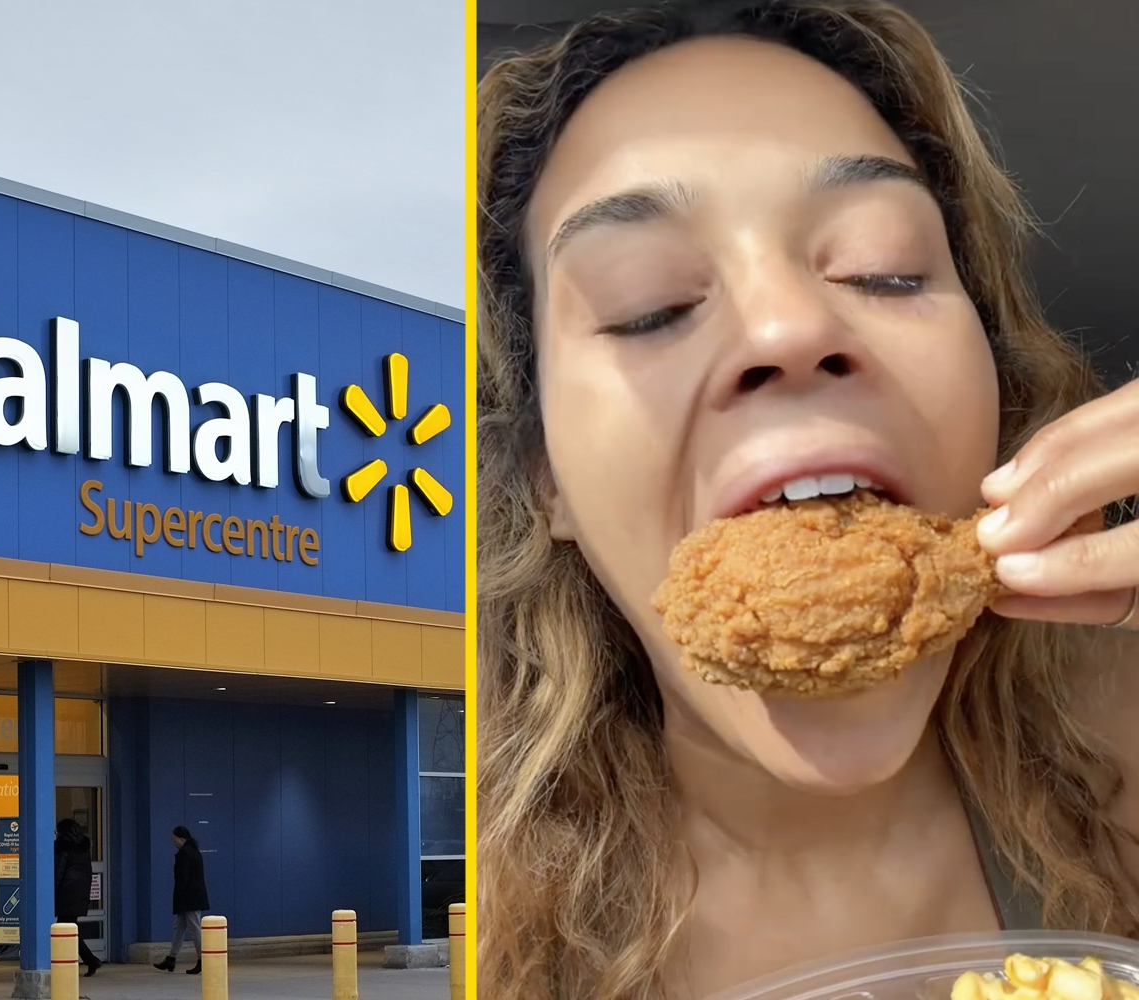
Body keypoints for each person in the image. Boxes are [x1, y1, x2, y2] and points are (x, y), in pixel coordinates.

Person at [478, 2, 1139, 997]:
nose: (785, 325)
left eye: (884, 268)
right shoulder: (479, 936)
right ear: (546, 478)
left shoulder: (1121, 741)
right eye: (644, 305)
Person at [154, 825, 209, 974]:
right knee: (179, 927)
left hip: (189, 898)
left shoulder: (184, 854)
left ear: (182, 839)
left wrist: (178, 899)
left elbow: (181, 879)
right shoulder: (195, 852)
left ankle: (203, 959)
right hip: (193, 896)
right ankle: (171, 958)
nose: (174, 843)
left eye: (175, 840)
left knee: (194, 929)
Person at [53, 818, 102, 976]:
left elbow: (59, 871)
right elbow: (88, 871)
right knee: (70, 928)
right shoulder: (83, 847)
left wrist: (51, 890)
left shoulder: (63, 847)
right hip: (80, 891)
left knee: (66, 929)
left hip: (66, 892)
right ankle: (87, 960)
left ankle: (89, 960)